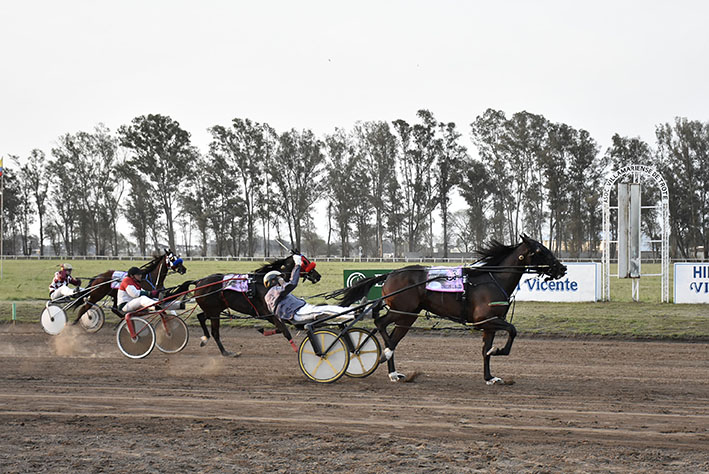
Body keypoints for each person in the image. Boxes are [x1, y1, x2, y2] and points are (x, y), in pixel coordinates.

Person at [264, 255, 364, 323]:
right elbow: (292, 284)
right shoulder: (273, 291)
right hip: (299, 313)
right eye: (280, 279)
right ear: (273, 281)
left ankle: (365, 312)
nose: (282, 280)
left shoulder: (276, 292)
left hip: (301, 310)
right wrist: (297, 265)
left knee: (327, 309)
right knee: (326, 309)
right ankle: (355, 313)